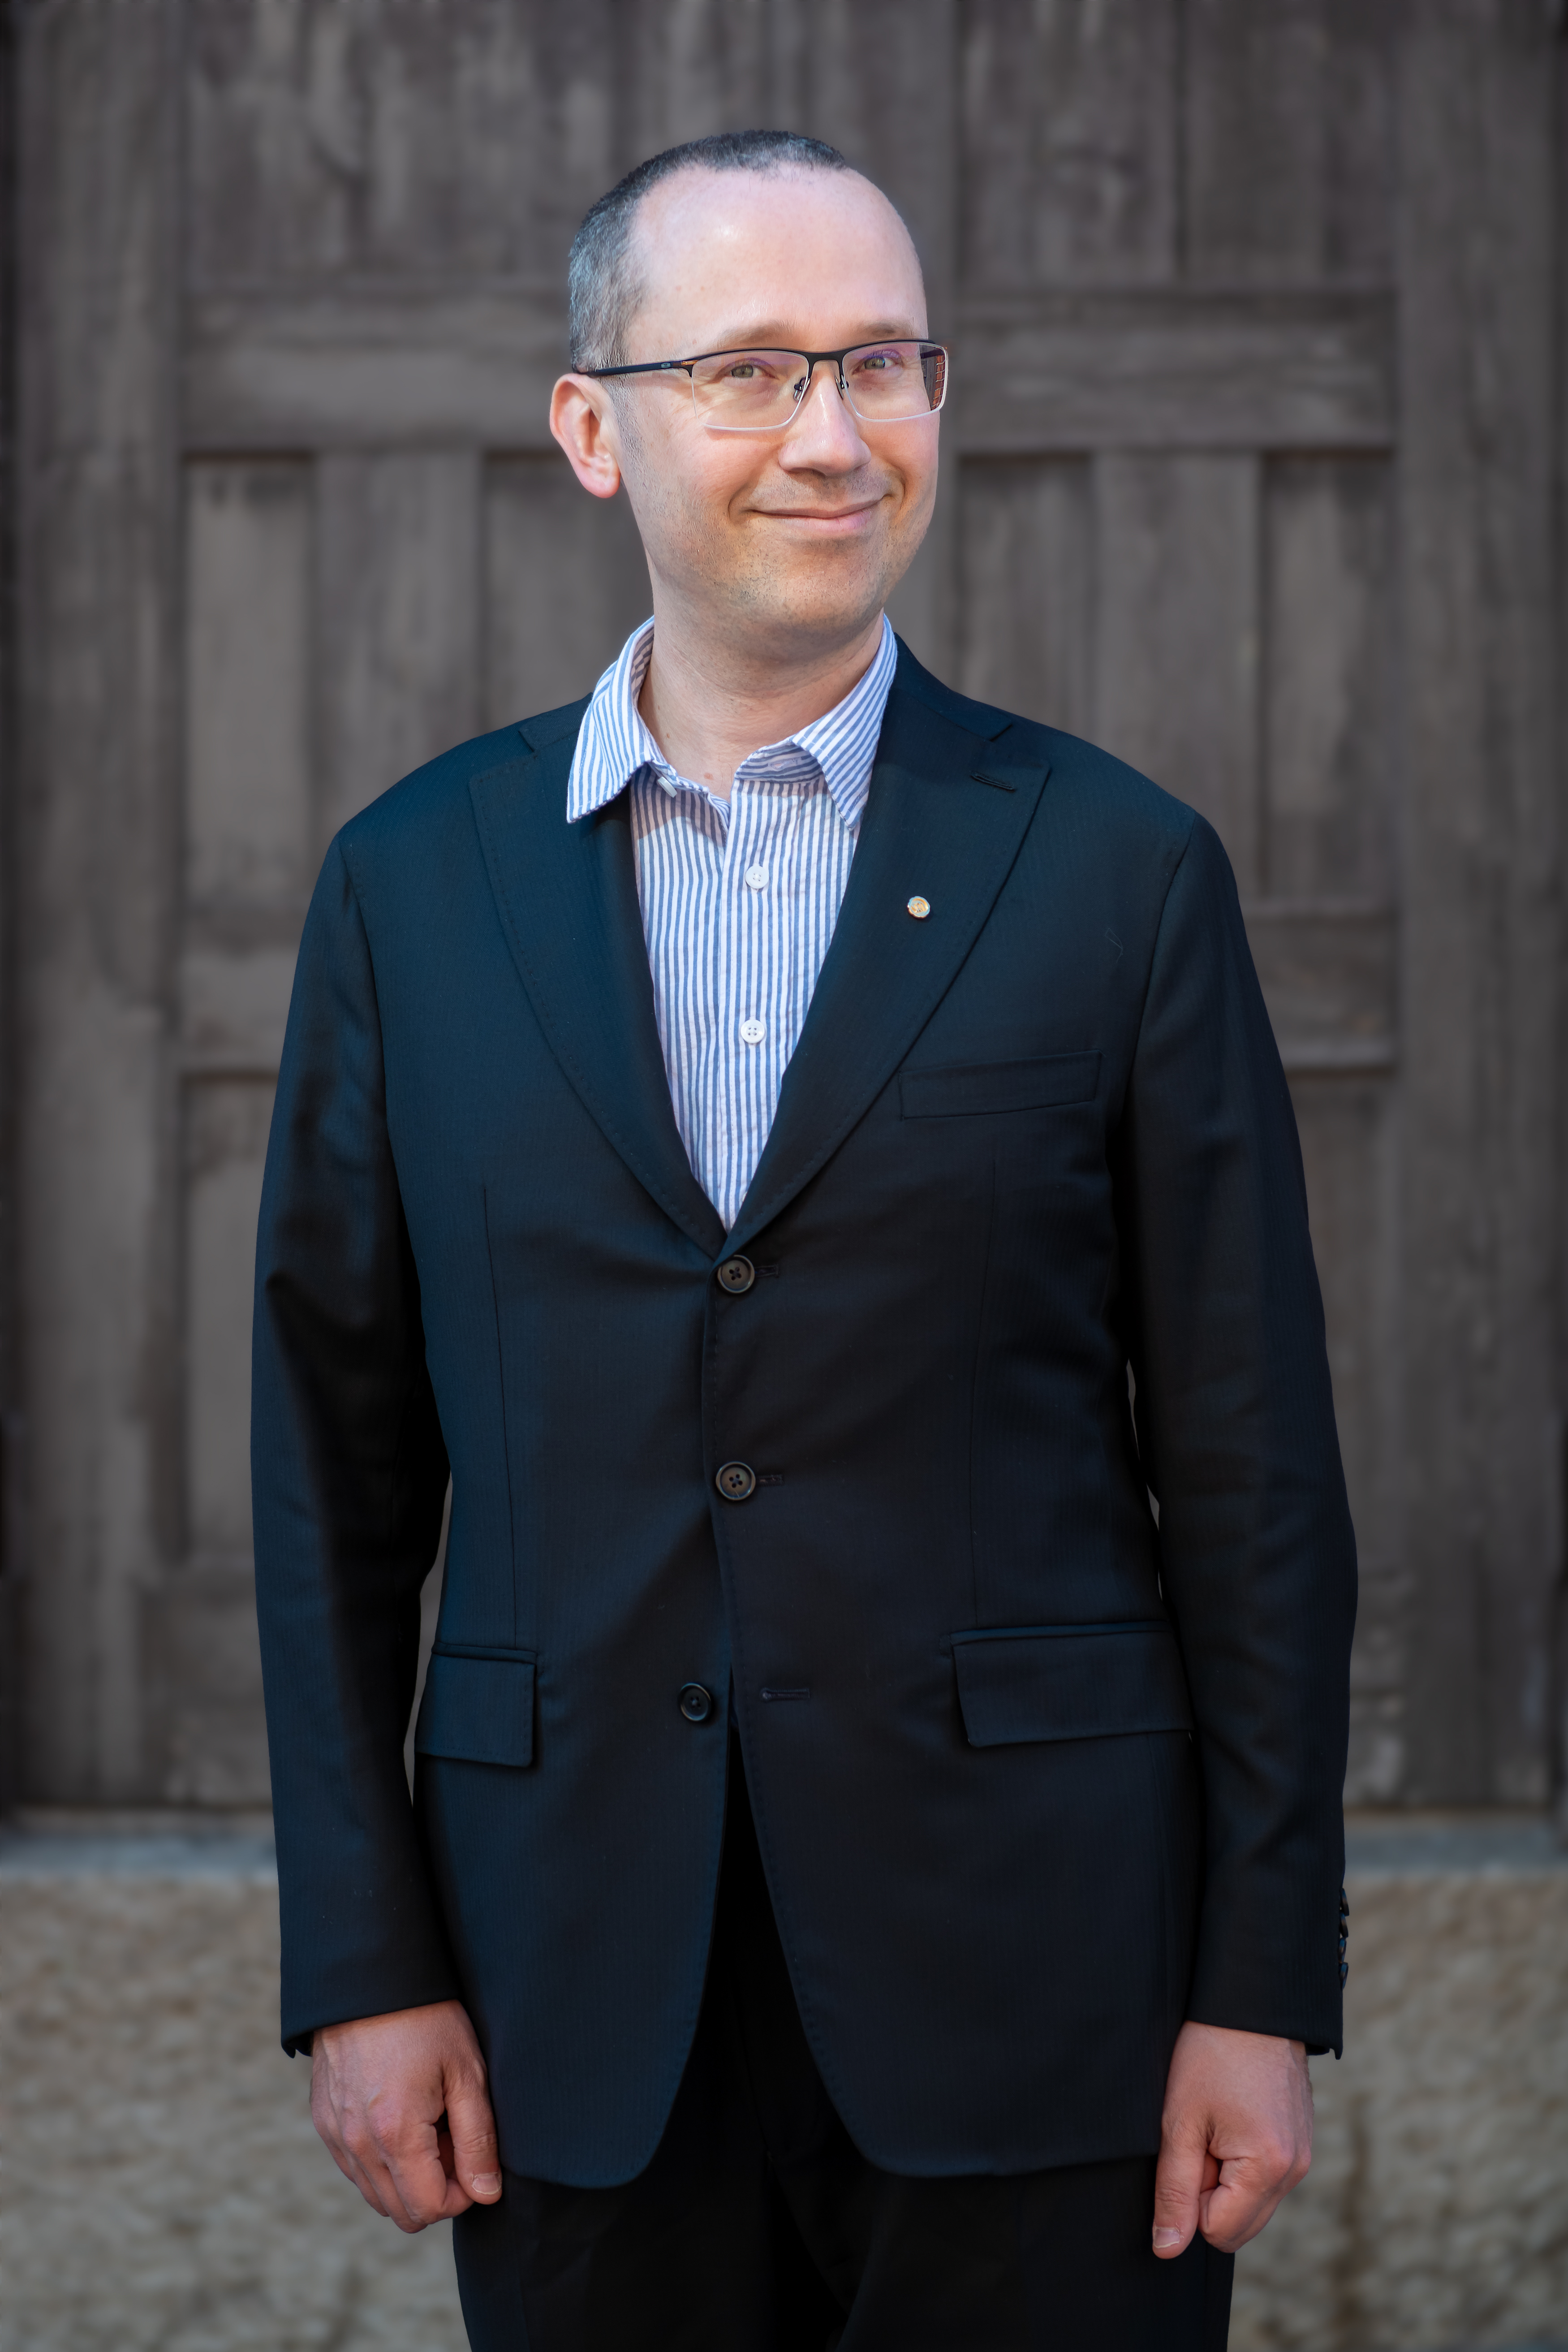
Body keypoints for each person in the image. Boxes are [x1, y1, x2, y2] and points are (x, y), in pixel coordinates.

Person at [252, 130, 1357, 2352]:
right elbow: (328, 1474)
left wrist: (1257, 1982)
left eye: (882, 362)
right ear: (594, 428)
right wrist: (360, 1960)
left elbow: (1250, 1474)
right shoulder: (411, 881)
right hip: (567, 1997)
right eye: (750, 370)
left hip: (1040, 1987)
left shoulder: (1115, 868)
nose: (833, 435)